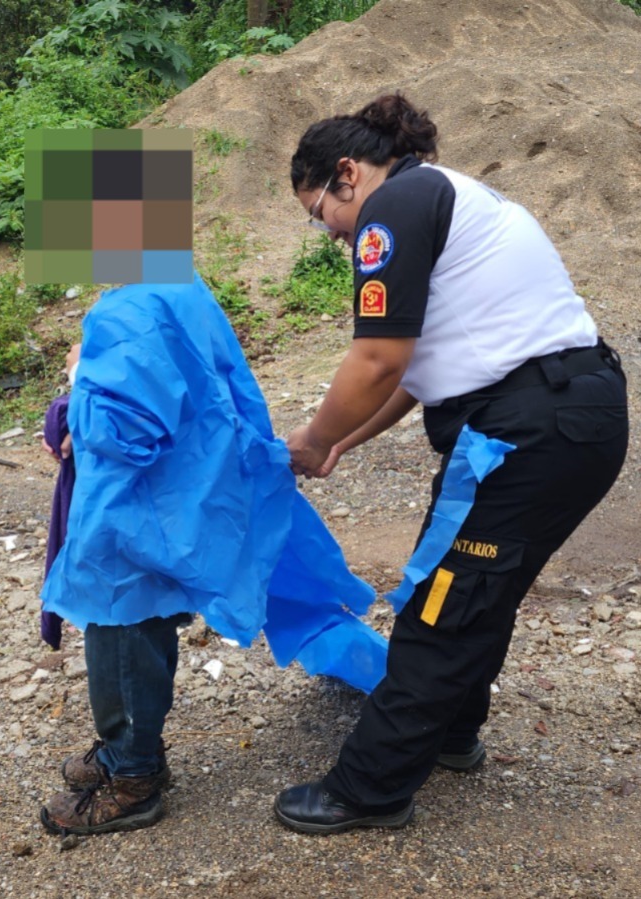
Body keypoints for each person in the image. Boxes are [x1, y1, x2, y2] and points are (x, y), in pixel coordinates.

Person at [273, 93, 630, 834]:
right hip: (557, 417)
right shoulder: (447, 196)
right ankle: (450, 731)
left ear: (346, 173)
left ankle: (369, 788)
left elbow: (375, 357)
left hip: (530, 426)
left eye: (320, 214)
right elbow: (412, 374)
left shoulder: (395, 204)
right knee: (471, 589)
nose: (332, 234)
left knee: (443, 606)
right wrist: (341, 441)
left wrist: (309, 438)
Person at [38, 277, 388, 836]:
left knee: (123, 627)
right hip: (183, 494)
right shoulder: (180, 289)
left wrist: (79, 382)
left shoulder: (128, 310)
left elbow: (123, 432)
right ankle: (122, 753)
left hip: (137, 510)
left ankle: (134, 776)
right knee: (139, 626)